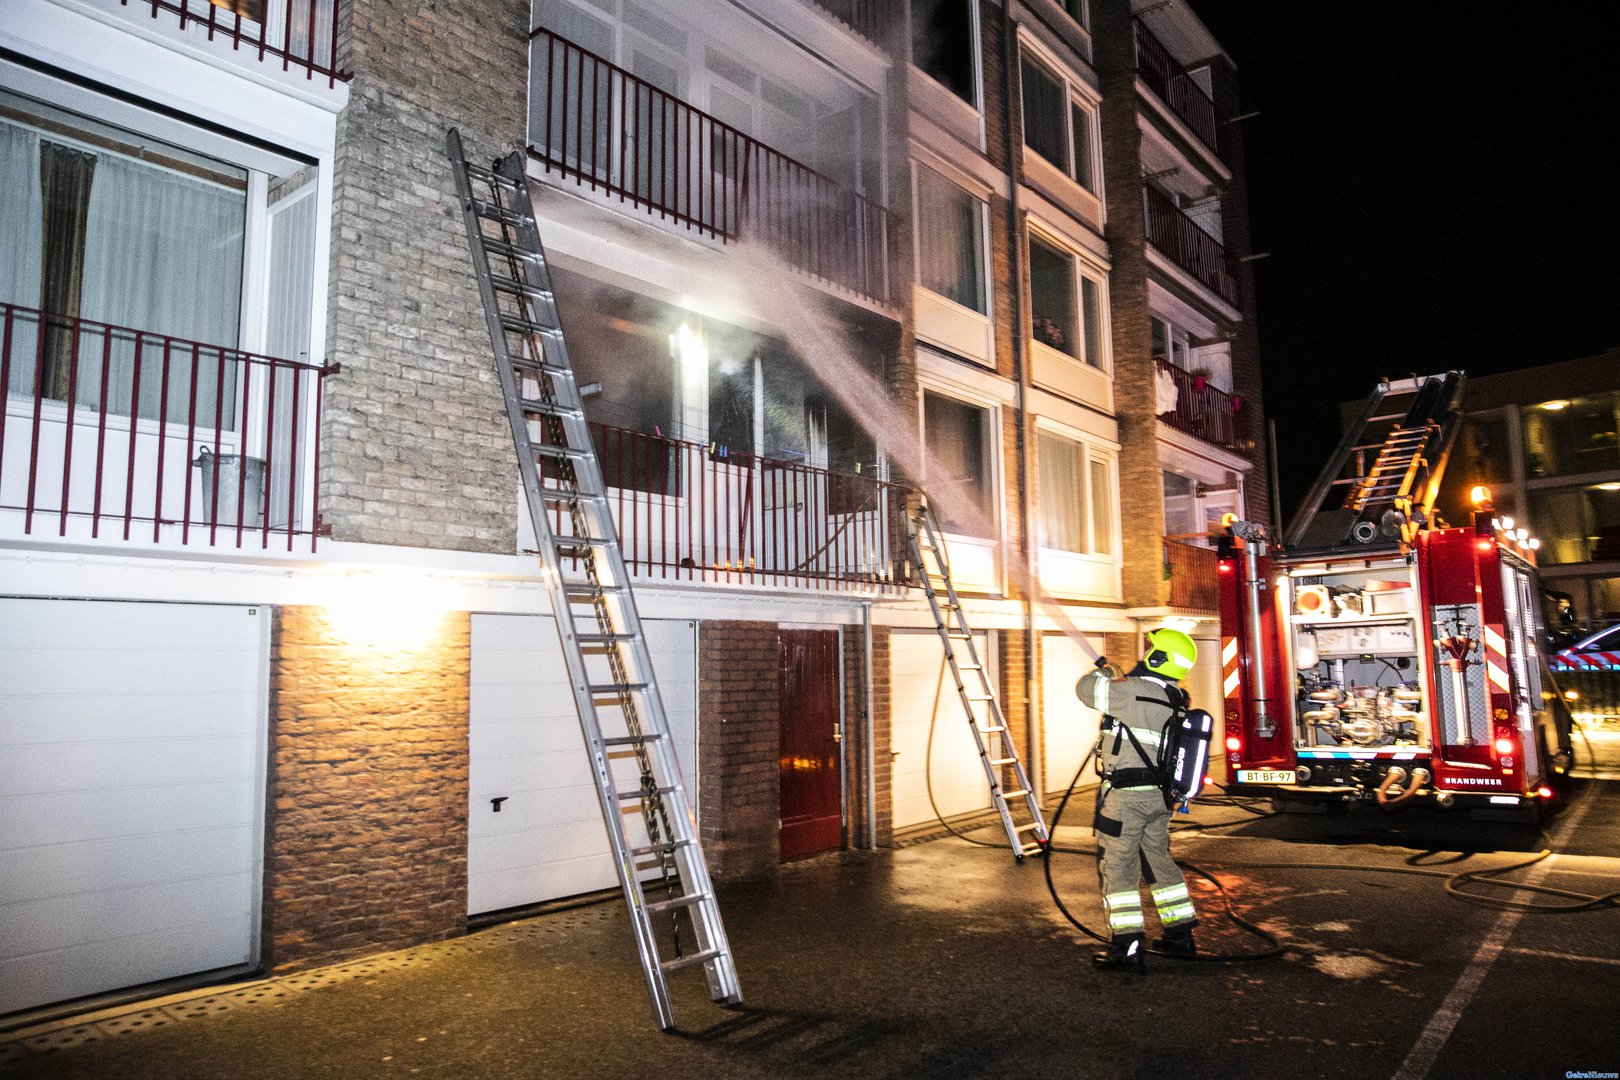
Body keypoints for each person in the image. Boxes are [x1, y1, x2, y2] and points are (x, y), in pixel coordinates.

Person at [1076, 628, 1200, 972]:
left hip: (1126, 800)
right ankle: (1180, 937)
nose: (1145, 653)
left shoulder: (1132, 692)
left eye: (1150, 649)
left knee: (1118, 869)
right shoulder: (1176, 697)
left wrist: (1106, 673)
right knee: (1158, 861)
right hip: (1159, 800)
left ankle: (1127, 948)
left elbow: (1085, 690)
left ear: (1159, 658)